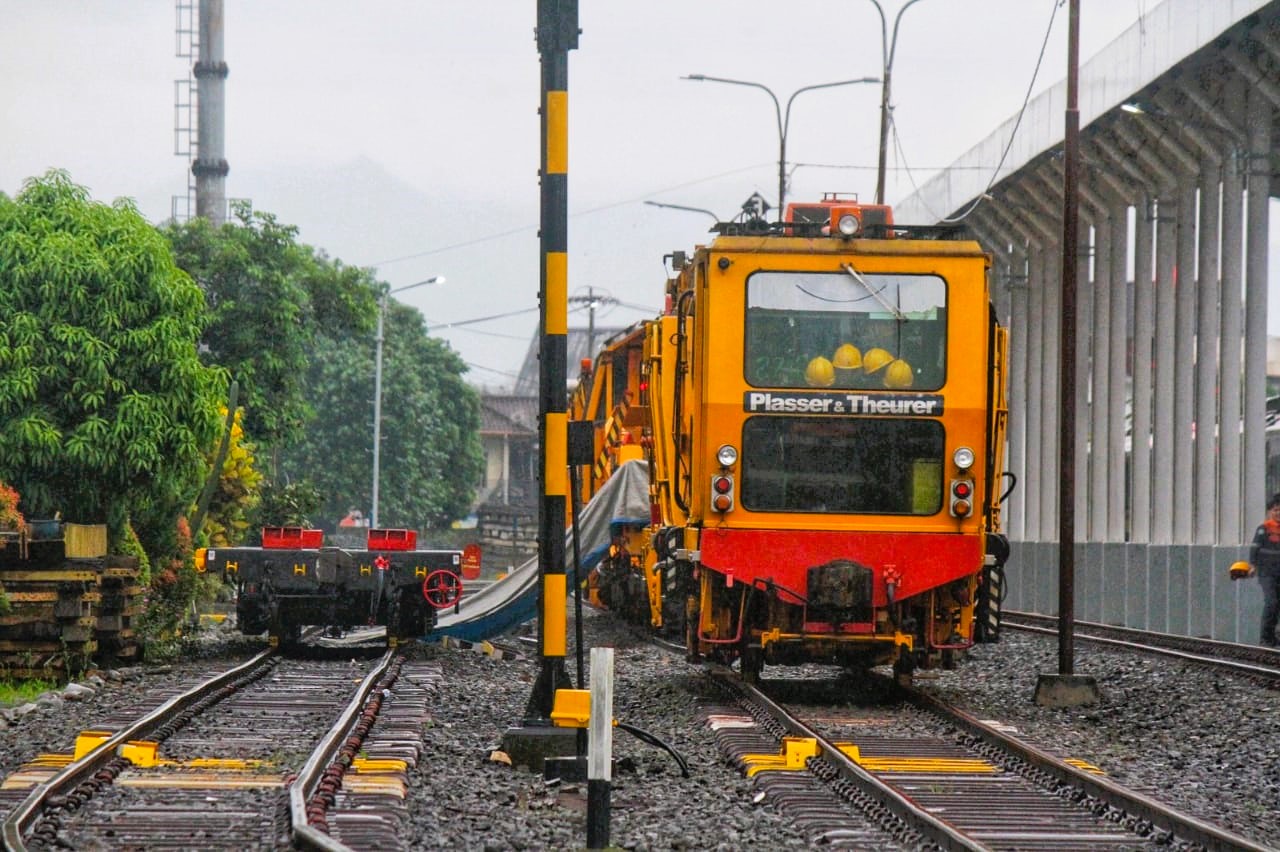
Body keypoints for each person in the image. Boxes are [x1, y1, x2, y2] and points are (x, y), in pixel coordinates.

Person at [1249, 493, 1280, 647]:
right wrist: (1253, 565)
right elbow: (1255, 548)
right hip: (1267, 573)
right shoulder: (1263, 529)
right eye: (1275, 510)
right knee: (1272, 602)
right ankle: (1266, 638)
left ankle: (1275, 636)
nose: (1278, 513)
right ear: (1270, 512)